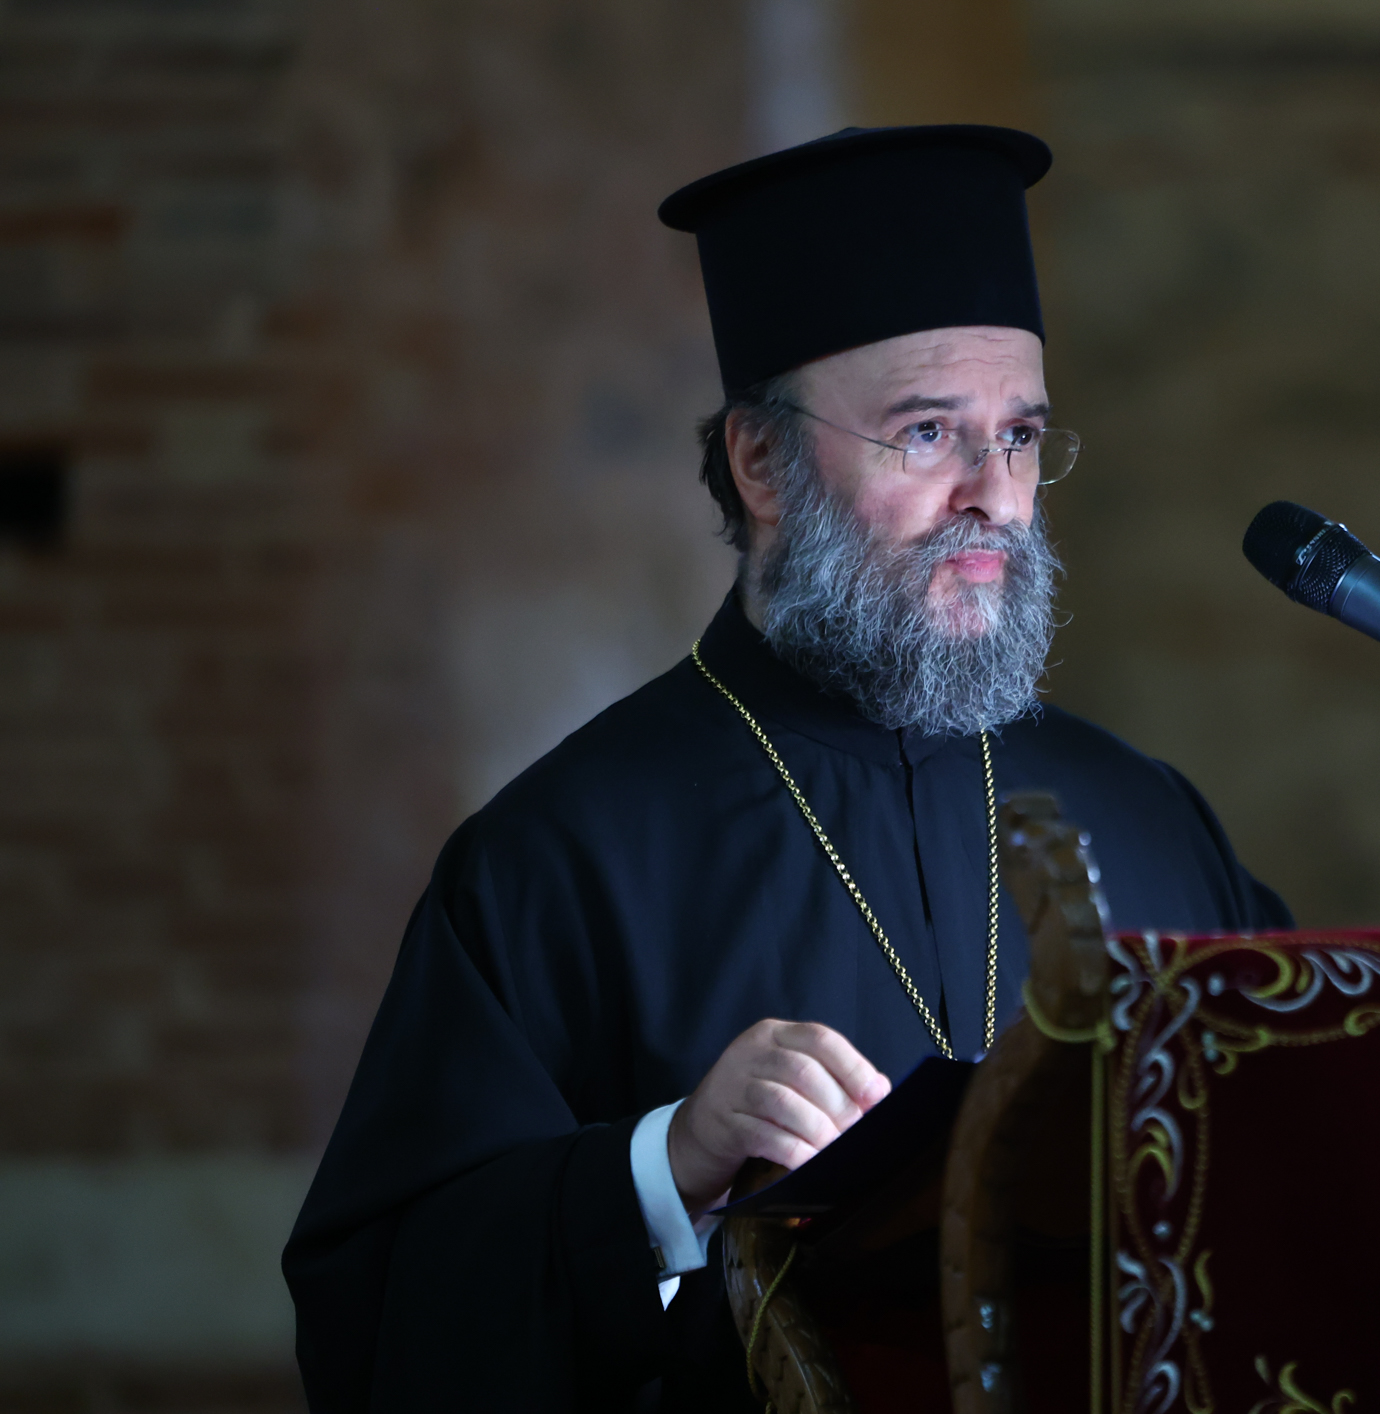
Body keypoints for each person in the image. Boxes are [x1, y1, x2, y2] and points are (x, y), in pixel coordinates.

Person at [282, 124, 1290, 1412]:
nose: (994, 494)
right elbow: (372, 1324)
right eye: (928, 433)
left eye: (1022, 436)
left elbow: (1309, 1190)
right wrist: (663, 1169)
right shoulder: (561, 857)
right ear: (761, 462)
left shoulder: (1147, 818)